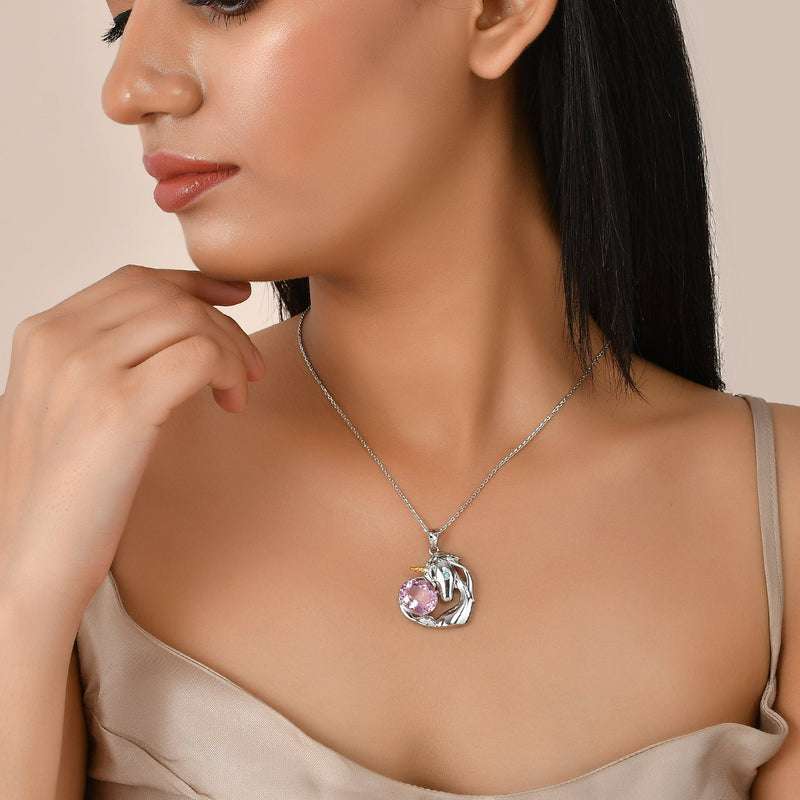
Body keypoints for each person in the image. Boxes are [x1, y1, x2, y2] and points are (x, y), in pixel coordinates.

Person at [1, 0, 798, 797]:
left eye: (224, 0)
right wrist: (21, 596)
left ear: (498, 11)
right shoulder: (67, 468)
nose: (127, 91)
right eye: (122, 22)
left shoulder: (780, 519)